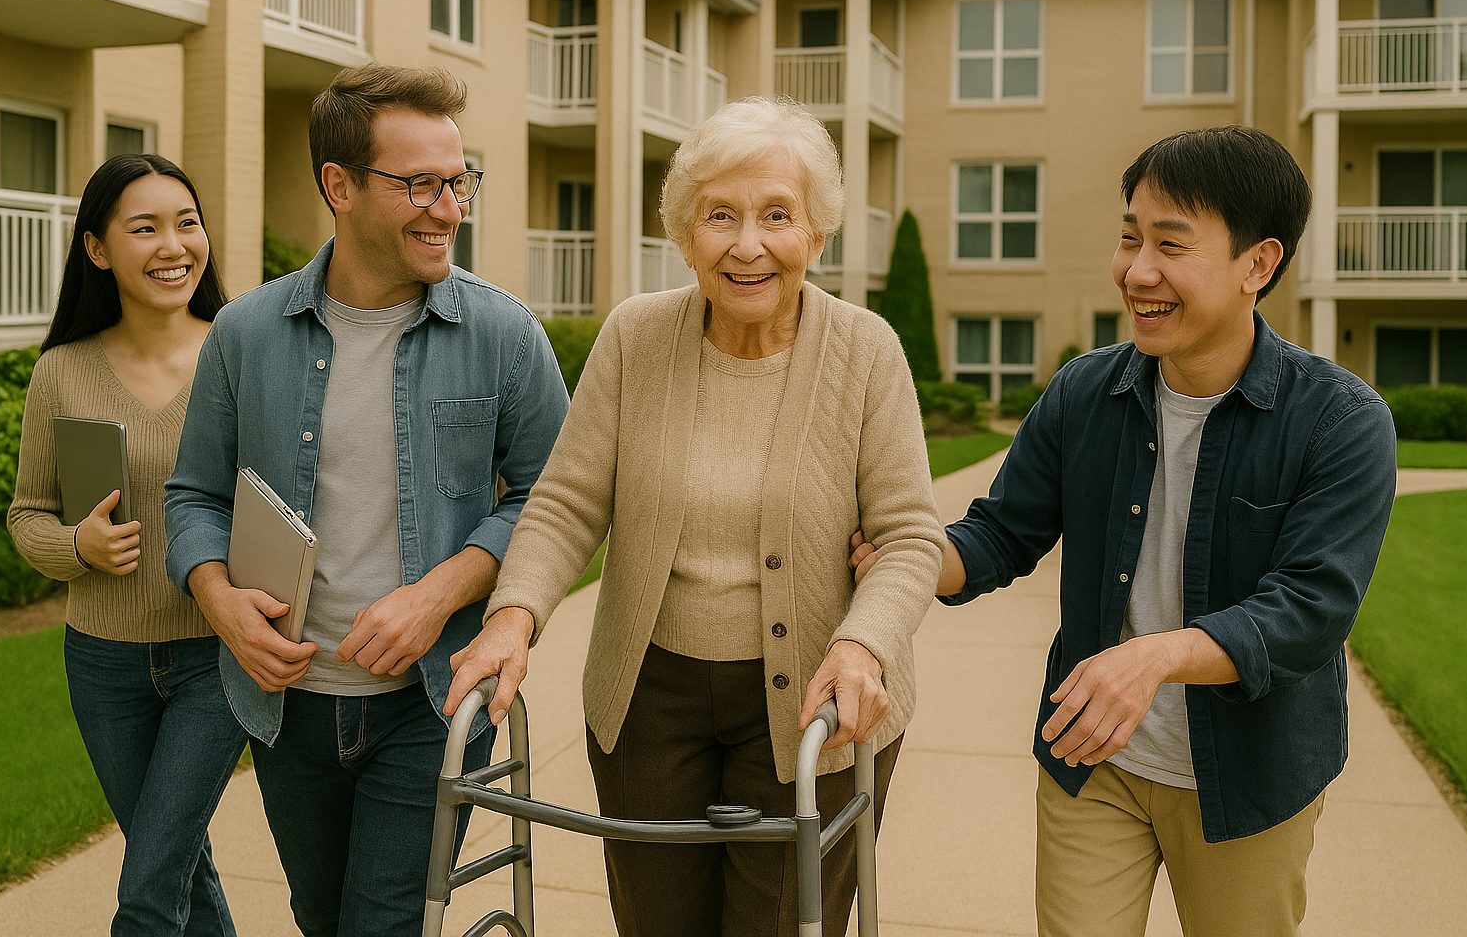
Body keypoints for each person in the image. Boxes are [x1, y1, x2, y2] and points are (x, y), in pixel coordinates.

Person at [853, 125, 1396, 937]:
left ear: (1259, 264)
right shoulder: (1084, 393)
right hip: (1092, 764)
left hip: (1247, 781)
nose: (1138, 271)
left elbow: (1308, 612)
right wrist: (907, 554)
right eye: (1129, 238)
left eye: (1171, 245)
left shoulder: (1340, 422)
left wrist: (1155, 657)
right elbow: (1002, 533)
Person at [446, 95, 944, 937]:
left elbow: (907, 534)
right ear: (685, 234)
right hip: (651, 694)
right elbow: (566, 502)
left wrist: (865, 644)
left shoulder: (865, 351)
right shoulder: (636, 336)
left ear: (816, 235)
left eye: (776, 216)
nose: (747, 245)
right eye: (721, 215)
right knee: (657, 923)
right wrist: (512, 617)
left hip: (814, 700)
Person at [162, 64, 569, 937]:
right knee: (322, 917)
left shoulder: (503, 334)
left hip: (429, 705)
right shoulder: (244, 333)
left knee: (381, 925)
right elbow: (193, 495)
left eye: (458, 181)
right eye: (420, 183)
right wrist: (218, 599)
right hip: (287, 707)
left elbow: (557, 501)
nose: (450, 206)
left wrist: (441, 593)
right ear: (337, 186)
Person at [8, 154, 245, 936]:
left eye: (187, 222)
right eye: (145, 228)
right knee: (179, 865)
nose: (174, 244)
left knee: (148, 886)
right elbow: (27, 517)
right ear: (98, 249)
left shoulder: (238, 356)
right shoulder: (62, 372)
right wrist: (78, 545)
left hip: (215, 657)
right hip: (102, 662)